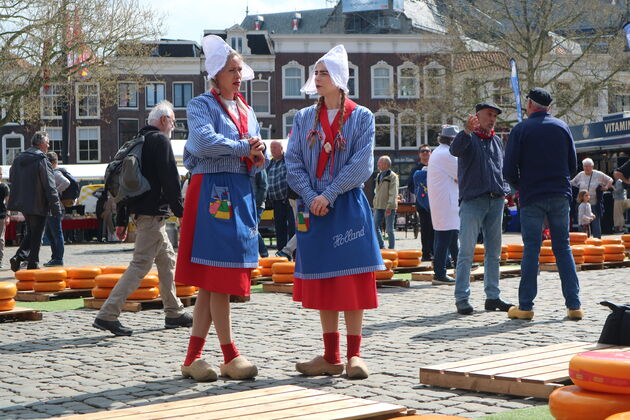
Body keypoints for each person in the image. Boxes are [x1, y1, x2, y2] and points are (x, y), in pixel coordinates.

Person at [286, 44, 384, 379]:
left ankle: (355, 355)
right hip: (314, 207)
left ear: (340, 79)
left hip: (347, 206)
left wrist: (327, 194)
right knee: (325, 281)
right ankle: (330, 356)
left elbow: (362, 164)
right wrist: (311, 196)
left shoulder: (362, 117)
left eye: (324, 73)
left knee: (352, 280)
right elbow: (293, 161)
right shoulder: (303, 118)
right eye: (315, 72)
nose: (317, 78)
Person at [174, 35, 266, 382]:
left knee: (212, 282)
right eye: (231, 70)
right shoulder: (200, 105)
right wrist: (244, 147)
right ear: (216, 74)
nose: (237, 75)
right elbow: (202, 142)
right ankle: (230, 355)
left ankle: (193, 358)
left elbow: (252, 154)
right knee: (219, 278)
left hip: (239, 191)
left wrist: (258, 156)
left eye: (239, 69)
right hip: (213, 192)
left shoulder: (246, 109)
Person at [92, 100, 191, 336]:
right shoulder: (159, 140)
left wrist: (122, 221)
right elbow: (170, 180)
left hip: (141, 213)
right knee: (140, 265)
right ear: (165, 120)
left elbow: (126, 188)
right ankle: (108, 314)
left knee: (167, 260)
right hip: (153, 214)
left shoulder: (136, 142)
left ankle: (174, 312)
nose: (174, 128)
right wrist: (182, 214)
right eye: (174, 123)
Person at [503, 88, 582, 321]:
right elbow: (572, 164)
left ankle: (526, 306)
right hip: (559, 194)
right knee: (563, 248)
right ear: (549, 107)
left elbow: (508, 169)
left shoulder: (521, 129)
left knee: (531, 250)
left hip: (532, 196)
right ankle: (574, 305)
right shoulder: (562, 127)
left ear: (529, 104)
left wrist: (521, 186)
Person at [450, 102, 513, 315]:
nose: (492, 118)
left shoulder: (496, 141)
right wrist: (466, 130)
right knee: (466, 252)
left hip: (495, 201)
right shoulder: (467, 138)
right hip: (472, 201)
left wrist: (505, 190)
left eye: (495, 115)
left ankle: (492, 297)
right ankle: (462, 298)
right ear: (477, 116)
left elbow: (500, 168)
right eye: (489, 114)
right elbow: (455, 150)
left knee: (494, 253)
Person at [8, 131, 62, 271]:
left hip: (23, 203)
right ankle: (32, 264)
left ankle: (19, 257)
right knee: (37, 233)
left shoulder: (18, 158)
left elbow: (12, 178)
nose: (49, 145)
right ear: (42, 143)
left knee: (32, 231)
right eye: (48, 142)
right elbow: (50, 186)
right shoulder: (42, 160)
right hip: (39, 203)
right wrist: (56, 208)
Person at [427, 125, 459, 285]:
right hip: (446, 202)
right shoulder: (447, 154)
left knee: (449, 235)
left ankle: (458, 264)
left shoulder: (439, 152)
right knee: (444, 237)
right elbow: (462, 173)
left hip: (444, 201)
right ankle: (440, 273)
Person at [570, 158, 612, 238]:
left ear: (592, 166)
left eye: (588, 166)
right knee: (582, 223)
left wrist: (606, 187)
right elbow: (572, 183)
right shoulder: (580, 174)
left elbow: (610, 179)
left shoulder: (598, 174)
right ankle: (582, 239)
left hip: (594, 203)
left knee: (595, 222)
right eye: (585, 166)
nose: (586, 168)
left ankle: (597, 240)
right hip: (582, 203)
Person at [266, 140, 295, 253]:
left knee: (292, 226)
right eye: (271, 148)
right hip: (276, 201)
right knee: (279, 227)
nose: (272, 150)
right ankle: (281, 251)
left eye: (274, 147)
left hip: (288, 199)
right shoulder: (270, 163)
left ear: (281, 148)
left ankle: (293, 252)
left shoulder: (288, 160)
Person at [42, 152, 70, 267]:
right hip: (52, 208)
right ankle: (55, 258)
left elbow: (66, 182)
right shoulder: (52, 172)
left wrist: (55, 192)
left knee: (56, 232)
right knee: (50, 232)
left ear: (52, 162)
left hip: (55, 207)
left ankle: (58, 259)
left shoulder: (55, 173)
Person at [407, 145, 434, 260]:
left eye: (427, 151)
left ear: (431, 153)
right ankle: (426, 253)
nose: (425, 153)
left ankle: (435, 251)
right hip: (422, 205)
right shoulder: (416, 169)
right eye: (422, 151)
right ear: (419, 154)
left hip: (435, 204)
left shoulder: (435, 167)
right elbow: (410, 185)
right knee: (425, 228)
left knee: (436, 228)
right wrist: (420, 195)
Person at [373, 155, 399, 250]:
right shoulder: (379, 175)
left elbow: (393, 192)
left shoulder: (393, 177)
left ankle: (391, 248)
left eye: (379, 162)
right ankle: (381, 246)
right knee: (374, 226)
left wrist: (389, 206)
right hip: (379, 206)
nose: (377, 164)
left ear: (385, 164)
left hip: (389, 207)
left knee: (389, 229)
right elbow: (377, 192)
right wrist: (374, 205)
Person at [251, 170, 269, 257]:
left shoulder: (259, 166)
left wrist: (257, 202)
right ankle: (263, 253)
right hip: (247, 204)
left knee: (251, 228)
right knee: (252, 228)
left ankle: (264, 253)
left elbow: (264, 186)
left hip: (257, 204)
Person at [0, 168, 10, 268]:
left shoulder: (4, 187)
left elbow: (8, 203)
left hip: (1, 215)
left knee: (0, 238)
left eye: (1, 174)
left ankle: (0, 259)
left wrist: (8, 215)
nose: (0, 176)